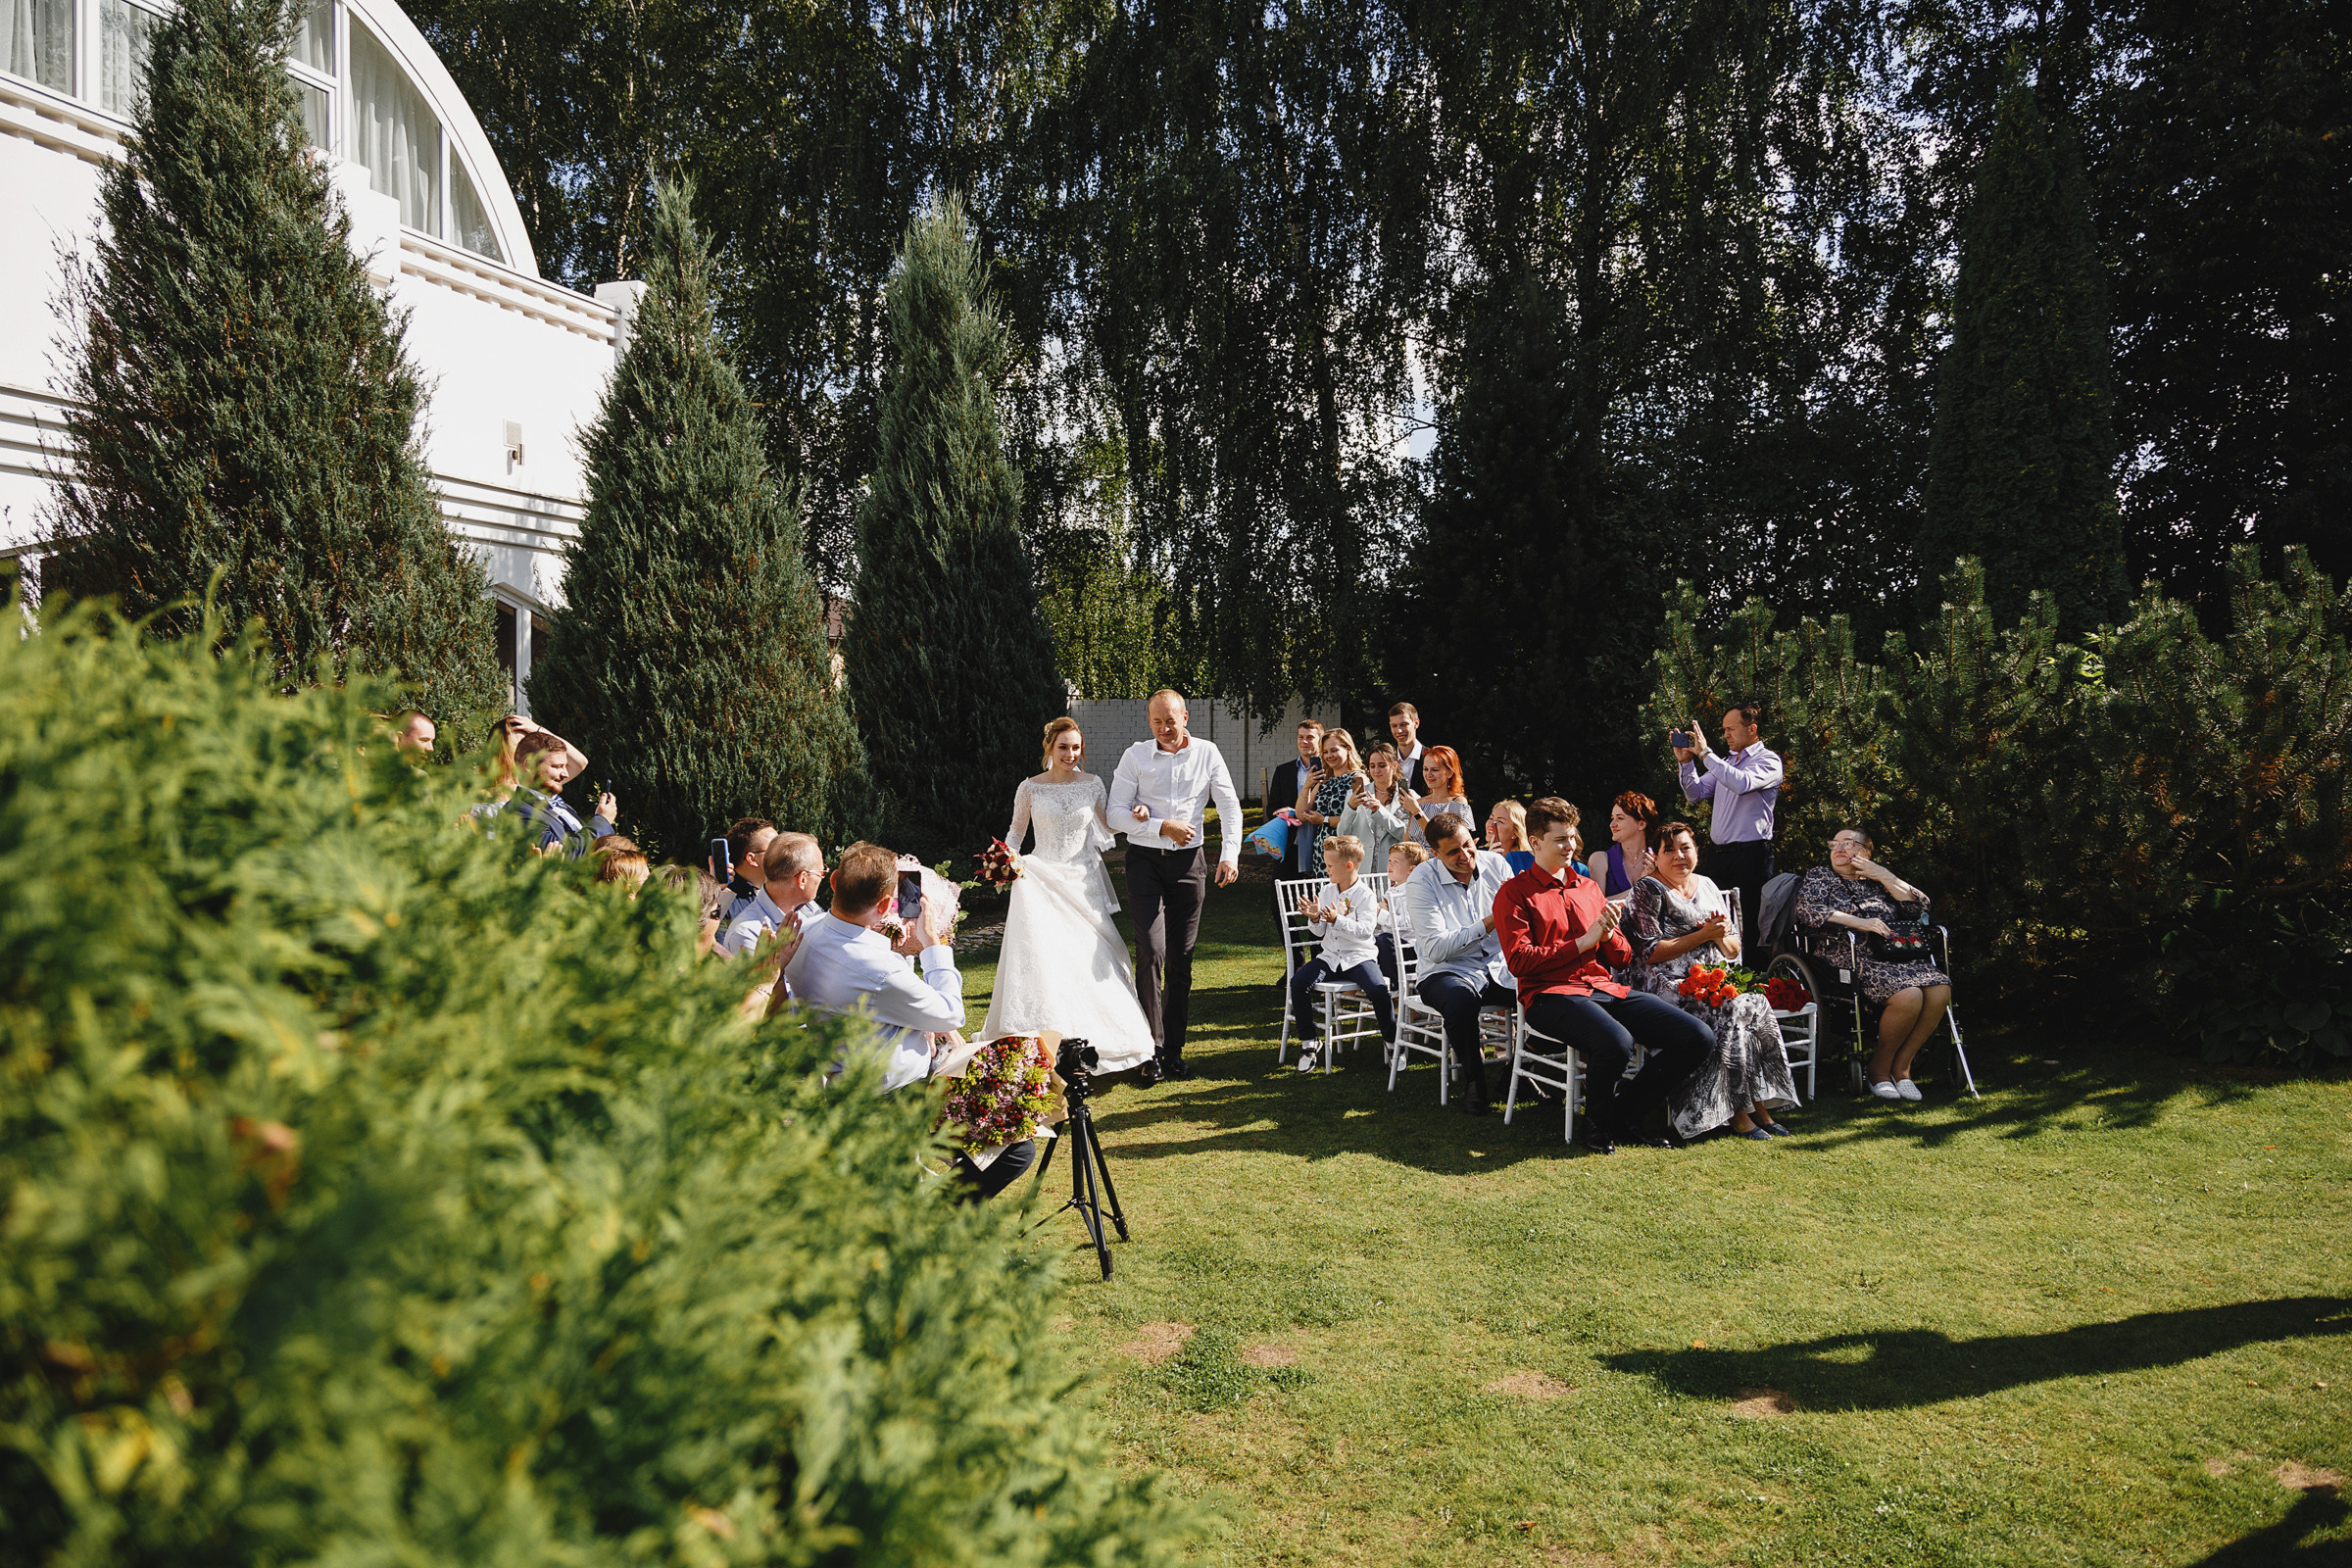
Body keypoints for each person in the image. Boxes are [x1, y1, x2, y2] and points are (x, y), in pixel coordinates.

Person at [1494, 798, 1715, 1154]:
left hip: (1603, 987)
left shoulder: (1588, 888)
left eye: (1572, 836)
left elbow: (1622, 956)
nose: (1571, 846)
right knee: (1616, 1043)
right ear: (1535, 843)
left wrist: (1611, 935)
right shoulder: (1514, 893)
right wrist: (1582, 942)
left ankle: (1626, 1113)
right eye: (1560, 839)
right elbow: (1520, 962)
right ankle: (1598, 1124)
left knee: (1696, 1036)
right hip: (1550, 995)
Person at [979, 717, 1155, 1072]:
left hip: (1082, 882)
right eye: (1063, 747)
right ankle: (1047, 1039)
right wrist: (1004, 858)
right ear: (1049, 748)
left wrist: (1139, 813)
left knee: (1096, 957)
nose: (1071, 754)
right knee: (1047, 960)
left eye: (1076, 748)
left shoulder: (1092, 785)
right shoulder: (1029, 787)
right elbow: (1016, 832)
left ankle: (1115, 1042)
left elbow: (1110, 824)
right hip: (1040, 880)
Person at [1626, 821, 1799, 1141]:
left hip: (1712, 979)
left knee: (1756, 1003)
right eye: (1669, 850)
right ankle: (1735, 1113)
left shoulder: (1706, 885)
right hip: (1664, 985)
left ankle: (1758, 1105)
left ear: (1696, 851)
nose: (1679, 856)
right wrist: (1703, 934)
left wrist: (1719, 936)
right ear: (1657, 855)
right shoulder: (1647, 891)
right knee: (1727, 1008)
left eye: (1685, 848)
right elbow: (1650, 953)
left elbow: (1733, 949)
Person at [1107, 688, 1243, 1081]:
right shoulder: (1135, 756)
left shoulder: (1207, 753)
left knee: (1182, 959)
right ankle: (1150, 1049)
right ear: (1149, 722)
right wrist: (1159, 826)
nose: (1165, 728)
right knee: (1151, 951)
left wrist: (1230, 855)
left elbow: (1230, 806)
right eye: (1157, 721)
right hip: (1144, 862)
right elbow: (1115, 813)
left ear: (1186, 717)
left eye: (1171, 720)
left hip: (1190, 866)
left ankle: (1173, 1051)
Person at [786, 840, 963, 1092]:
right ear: (883, 906)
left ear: (834, 881)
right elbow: (951, 1014)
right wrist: (933, 942)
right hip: (885, 1096)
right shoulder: (881, 970)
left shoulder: (805, 931)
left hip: (839, 1079)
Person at [1796, 827, 1953, 1102]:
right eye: (1835, 843)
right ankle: (1879, 1070)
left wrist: (1884, 875)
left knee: (1941, 989)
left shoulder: (1879, 880)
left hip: (1896, 956)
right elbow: (1808, 910)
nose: (1839, 849)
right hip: (1849, 955)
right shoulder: (1821, 876)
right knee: (1909, 995)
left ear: (1866, 853)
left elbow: (1921, 908)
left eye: (1849, 843)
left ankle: (1902, 1067)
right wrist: (1859, 922)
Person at [1400, 812, 1516, 1114]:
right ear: (1435, 854)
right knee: (1460, 1001)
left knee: (1548, 993)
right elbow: (1437, 949)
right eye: (1453, 852)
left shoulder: (1496, 865)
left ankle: (1519, 1068)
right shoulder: (1421, 880)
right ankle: (1475, 1081)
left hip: (1499, 966)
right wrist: (1491, 921)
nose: (1466, 856)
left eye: (1468, 845)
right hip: (1446, 971)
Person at [1676, 704, 1783, 945]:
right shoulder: (1727, 762)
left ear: (1752, 729)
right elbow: (1696, 793)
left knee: (1750, 925)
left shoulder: (1769, 761)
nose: (1725, 735)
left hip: (1751, 856)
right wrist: (1686, 763)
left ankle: (1755, 978)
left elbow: (1743, 784)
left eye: (1731, 729)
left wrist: (1706, 755)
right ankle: (1719, 978)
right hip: (1720, 857)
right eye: (1724, 729)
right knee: (1713, 918)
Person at [1290, 835, 1395, 1073]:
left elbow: (1365, 931)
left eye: (1329, 866)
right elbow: (1318, 933)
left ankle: (1391, 1041)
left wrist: (1337, 919)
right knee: (1298, 982)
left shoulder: (1365, 895)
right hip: (1330, 957)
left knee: (1378, 989)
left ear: (1348, 866)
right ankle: (1309, 1041)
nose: (1326, 870)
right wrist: (1315, 917)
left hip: (1359, 956)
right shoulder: (1326, 890)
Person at [503, 730, 614, 855]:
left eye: (565, 766)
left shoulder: (562, 806)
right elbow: (563, 857)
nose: (565, 774)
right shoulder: (517, 812)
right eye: (557, 766)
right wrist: (602, 820)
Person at [718, 832, 825, 958]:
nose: (822, 877)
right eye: (821, 871)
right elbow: (763, 978)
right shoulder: (747, 933)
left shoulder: (809, 907)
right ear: (802, 879)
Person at [1295, 726, 1365, 878]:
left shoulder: (1357, 778)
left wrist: (1323, 820)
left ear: (1348, 749)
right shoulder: (1324, 781)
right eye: (1325, 752)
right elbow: (1301, 814)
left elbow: (1359, 819)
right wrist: (1307, 785)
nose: (1329, 756)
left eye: (1334, 750)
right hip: (1322, 854)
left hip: (1345, 853)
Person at [1337, 742, 1412, 876]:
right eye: (1372, 766)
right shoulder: (1354, 794)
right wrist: (1351, 808)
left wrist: (1380, 811)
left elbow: (1408, 835)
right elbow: (1342, 834)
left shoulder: (1407, 796)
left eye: (1382, 766)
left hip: (1395, 868)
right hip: (1361, 867)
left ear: (1394, 766)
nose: (1376, 770)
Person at [1268, 719, 1326, 894]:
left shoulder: (1329, 770)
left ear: (1320, 740)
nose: (1304, 741)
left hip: (1321, 840)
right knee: (1280, 901)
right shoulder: (1283, 771)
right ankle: (1289, 923)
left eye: (1310, 737)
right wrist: (1287, 814)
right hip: (1291, 842)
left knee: (1320, 897)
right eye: (1300, 737)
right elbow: (1272, 809)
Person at [1377, 840, 1431, 996]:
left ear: (1411, 870)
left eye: (1396, 862)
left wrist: (1379, 914)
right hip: (1395, 947)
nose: (1390, 865)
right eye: (1389, 861)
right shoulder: (1392, 891)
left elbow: (1407, 924)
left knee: (1384, 940)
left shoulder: (1412, 892)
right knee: (1371, 943)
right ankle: (1375, 985)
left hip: (1411, 949)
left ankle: (1395, 990)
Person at [1596, 791, 1662, 903]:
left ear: (1641, 824)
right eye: (1612, 818)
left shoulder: (1659, 860)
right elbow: (1597, 905)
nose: (1612, 824)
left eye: (1620, 818)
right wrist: (1640, 886)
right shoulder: (1600, 859)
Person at [1403, 745, 1474, 848]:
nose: (1429, 774)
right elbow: (1407, 841)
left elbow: (1445, 841)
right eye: (1425, 769)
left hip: (1439, 863)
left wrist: (1416, 812)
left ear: (1450, 772)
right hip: (1415, 862)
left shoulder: (1457, 802)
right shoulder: (1418, 803)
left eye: (1435, 770)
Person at [717, 816, 779, 922]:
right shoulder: (723, 902)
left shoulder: (780, 894)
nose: (783, 854)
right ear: (752, 859)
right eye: (775, 848)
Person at [1387, 702, 1430, 793]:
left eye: (1403, 724)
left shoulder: (1431, 758)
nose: (1399, 730)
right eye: (1394, 726)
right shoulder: (1387, 760)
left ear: (1416, 723)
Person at [1485, 799, 1534, 873]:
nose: (1491, 824)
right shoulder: (1479, 855)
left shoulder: (1526, 861)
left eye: (1500, 821)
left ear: (1515, 833)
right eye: (1491, 818)